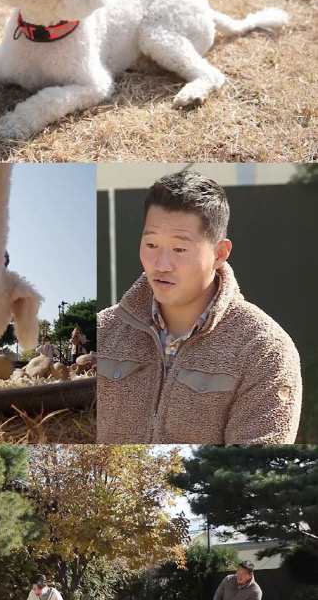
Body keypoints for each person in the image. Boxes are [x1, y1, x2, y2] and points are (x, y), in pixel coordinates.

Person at [97, 171, 302, 444]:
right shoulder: (104, 330)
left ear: (220, 254)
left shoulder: (264, 349)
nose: (161, 264)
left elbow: (247, 467)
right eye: (151, 244)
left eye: (180, 249)